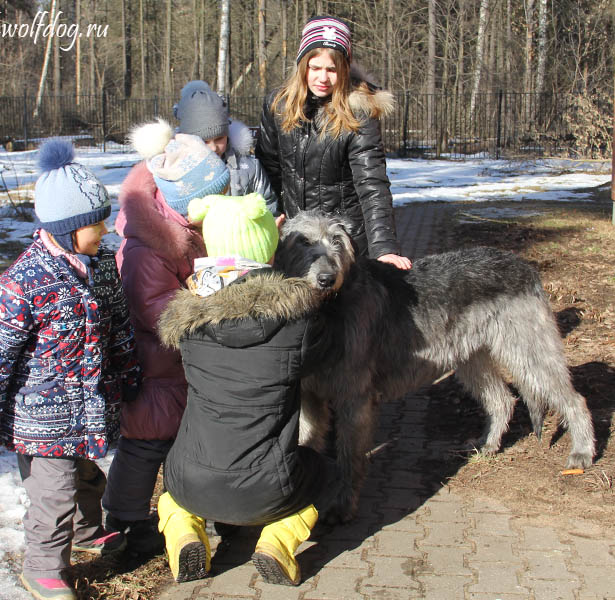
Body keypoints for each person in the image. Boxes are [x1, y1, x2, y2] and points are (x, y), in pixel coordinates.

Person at [0, 139, 141, 600]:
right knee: (53, 494)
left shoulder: (99, 269)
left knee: (85, 477)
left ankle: (85, 532)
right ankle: (42, 567)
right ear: (67, 227)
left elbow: (117, 324)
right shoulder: (24, 282)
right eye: (95, 223)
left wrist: (129, 370)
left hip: (83, 408)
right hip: (38, 419)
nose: (105, 229)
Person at [155, 193, 336, 586]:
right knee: (325, 473)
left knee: (172, 495)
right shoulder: (298, 323)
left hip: (188, 480)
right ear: (268, 250)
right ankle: (276, 541)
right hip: (267, 489)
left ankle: (185, 528)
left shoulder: (187, 324)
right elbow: (327, 358)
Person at [100, 121, 231, 554]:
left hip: (180, 364)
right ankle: (124, 519)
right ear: (183, 202)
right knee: (144, 447)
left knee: (187, 442)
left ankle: (197, 512)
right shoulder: (144, 250)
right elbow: (157, 311)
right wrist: (205, 307)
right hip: (152, 366)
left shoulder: (188, 231)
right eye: (212, 198)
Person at [255, 15, 412, 270]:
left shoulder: (358, 113)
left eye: (332, 70)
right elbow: (267, 171)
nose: (323, 78)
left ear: (344, 70)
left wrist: (384, 248)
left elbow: (371, 184)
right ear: (302, 65)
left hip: (344, 245)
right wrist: (269, 219)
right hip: (293, 241)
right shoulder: (278, 106)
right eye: (315, 68)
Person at [173, 80, 279, 214]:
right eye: (204, 141)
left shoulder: (248, 167)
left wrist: (271, 223)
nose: (213, 148)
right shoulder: (174, 172)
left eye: (219, 139)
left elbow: (267, 202)